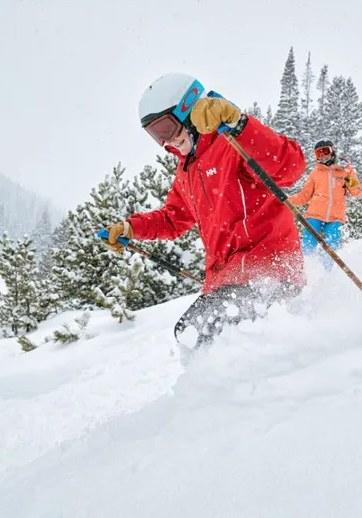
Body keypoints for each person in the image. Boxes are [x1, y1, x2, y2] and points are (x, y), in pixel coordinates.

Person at [99, 73, 307, 348]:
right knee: (190, 336)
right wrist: (131, 228)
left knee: (202, 334)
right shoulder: (188, 170)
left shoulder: (232, 142)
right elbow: (173, 217)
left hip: (268, 272)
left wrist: (239, 125)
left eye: (165, 129)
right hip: (227, 281)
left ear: (188, 112)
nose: (165, 142)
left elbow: (291, 166)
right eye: (155, 134)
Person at [287, 139, 362, 271]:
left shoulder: (344, 171)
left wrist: (350, 177)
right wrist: (287, 200)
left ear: (333, 151)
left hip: (335, 217)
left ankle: (325, 274)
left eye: (325, 151)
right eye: (318, 153)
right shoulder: (315, 173)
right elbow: (304, 196)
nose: (322, 155)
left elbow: (356, 192)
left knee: (330, 247)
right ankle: (303, 272)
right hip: (315, 215)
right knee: (308, 244)